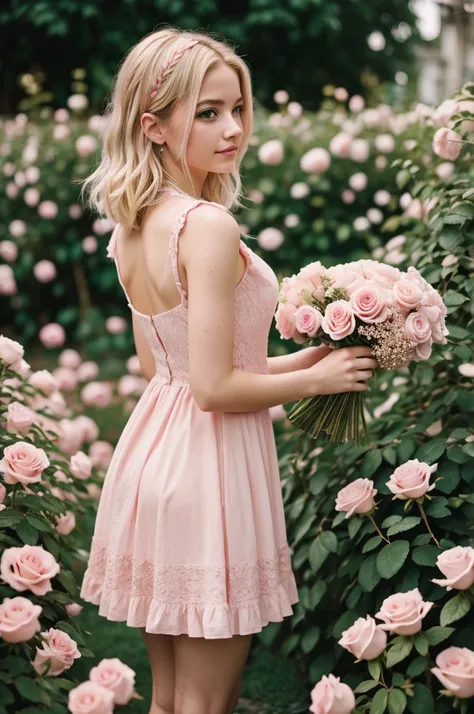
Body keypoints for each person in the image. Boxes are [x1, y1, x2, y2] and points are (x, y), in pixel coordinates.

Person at [79, 26, 377, 714]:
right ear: (152, 126)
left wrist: (302, 357)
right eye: (208, 113)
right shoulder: (207, 225)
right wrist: (318, 382)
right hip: (208, 473)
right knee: (208, 705)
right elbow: (214, 389)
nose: (233, 128)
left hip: (155, 461)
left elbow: (168, 363)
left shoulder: (133, 222)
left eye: (237, 108)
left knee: (172, 700)